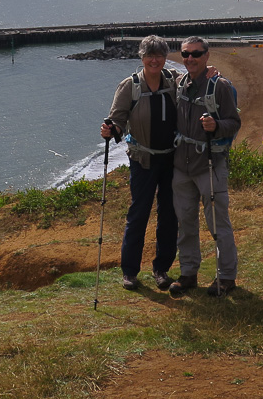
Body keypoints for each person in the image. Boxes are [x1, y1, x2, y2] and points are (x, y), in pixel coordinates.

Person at [100, 35, 181, 291]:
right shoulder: (130, 86)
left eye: (159, 55)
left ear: (165, 57)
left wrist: (213, 74)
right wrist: (110, 130)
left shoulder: (174, 81)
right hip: (142, 160)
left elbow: (196, 89)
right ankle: (130, 272)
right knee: (139, 215)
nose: (154, 59)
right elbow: (118, 120)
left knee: (169, 216)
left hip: (171, 158)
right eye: (149, 55)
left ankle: (161, 270)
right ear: (142, 57)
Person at [168, 36, 241, 297]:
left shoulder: (219, 86)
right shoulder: (178, 82)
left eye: (196, 54)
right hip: (182, 166)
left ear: (207, 56)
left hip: (210, 164)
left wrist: (216, 126)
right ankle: (188, 273)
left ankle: (226, 277)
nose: (190, 59)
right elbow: (151, 73)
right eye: (185, 54)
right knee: (185, 223)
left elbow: (234, 122)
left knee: (218, 224)